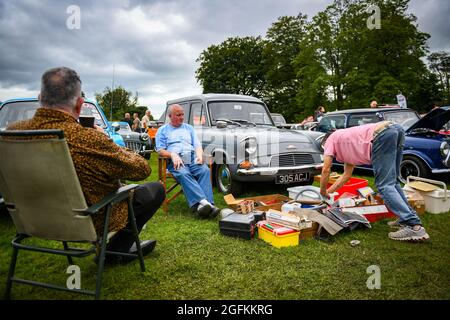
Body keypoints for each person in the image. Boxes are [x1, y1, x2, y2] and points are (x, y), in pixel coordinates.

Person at [7, 67, 166, 263]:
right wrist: (105, 139)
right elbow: (142, 170)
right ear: (80, 104)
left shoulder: (11, 133)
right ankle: (114, 251)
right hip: (88, 219)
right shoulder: (87, 138)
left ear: (40, 97)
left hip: (30, 219)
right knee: (155, 189)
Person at [319, 121, 429, 242]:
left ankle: (414, 226)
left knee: (384, 185)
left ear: (325, 142)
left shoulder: (330, 139)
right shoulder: (345, 142)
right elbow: (346, 175)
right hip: (395, 129)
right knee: (392, 182)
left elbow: (326, 169)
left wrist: (322, 190)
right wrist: (328, 192)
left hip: (382, 134)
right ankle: (406, 219)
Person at [155, 104, 219, 218]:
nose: (181, 117)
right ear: (170, 116)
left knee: (204, 171)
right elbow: (160, 150)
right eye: (178, 115)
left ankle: (202, 206)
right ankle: (205, 203)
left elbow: (197, 145)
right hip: (176, 159)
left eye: (182, 114)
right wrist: (173, 154)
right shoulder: (162, 130)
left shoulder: (189, 128)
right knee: (184, 173)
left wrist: (199, 155)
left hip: (192, 157)